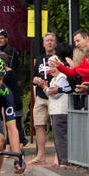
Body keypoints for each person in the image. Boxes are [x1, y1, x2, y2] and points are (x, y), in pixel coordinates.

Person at [28, 32, 57, 165]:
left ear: (55, 43)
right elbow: (33, 75)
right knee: (39, 124)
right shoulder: (39, 59)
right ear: (44, 44)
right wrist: (35, 79)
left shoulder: (58, 58)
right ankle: (41, 155)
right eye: (47, 41)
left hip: (54, 95)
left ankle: (58, 154)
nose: (49, 42)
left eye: (52, 40)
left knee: (57, 125)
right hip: (40, 95)